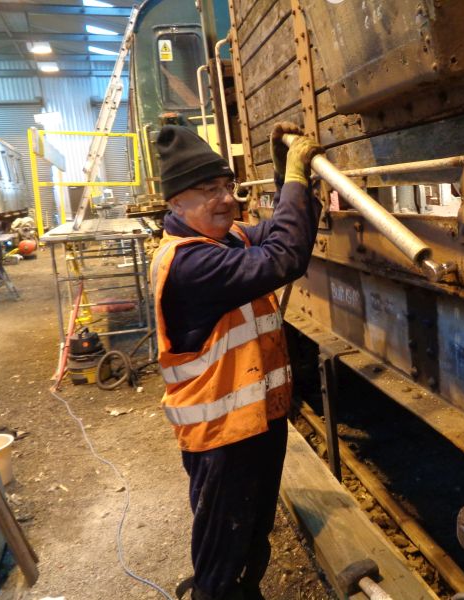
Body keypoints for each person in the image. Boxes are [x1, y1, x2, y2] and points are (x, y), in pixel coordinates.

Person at [150, 123, 323, 600]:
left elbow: (288, 229)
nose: (226, 199)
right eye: (209, 191)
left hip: (256, 421)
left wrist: (283, 173)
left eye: (227, 186)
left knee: (251, 532)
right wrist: (291, 177)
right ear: (175, 204)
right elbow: (286, 257)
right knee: (221, 550)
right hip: (220, 434)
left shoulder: (226, 241)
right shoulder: (187, 263)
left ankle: (246, 591)